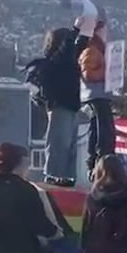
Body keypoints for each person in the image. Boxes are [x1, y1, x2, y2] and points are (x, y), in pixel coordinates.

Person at [24, 25, 88, 187]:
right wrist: (76, 30)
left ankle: (67, 176)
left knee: (69, 144)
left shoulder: (67, 61)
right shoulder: (55, 62)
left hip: (71, 106)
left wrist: (84, 34)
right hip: (60, 105)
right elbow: (66, 52)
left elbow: (77, 49)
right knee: (59, 142)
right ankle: (54, 175)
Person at [78, 15, 116, 175]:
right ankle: (103, 155)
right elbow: (88, 73)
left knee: (97, 125)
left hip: (99, 94)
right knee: (104, 126)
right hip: (96, 94)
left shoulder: (99, 49)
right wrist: (107, 73)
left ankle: (97, 156)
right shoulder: (93, 49)